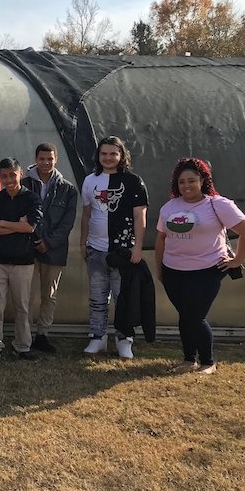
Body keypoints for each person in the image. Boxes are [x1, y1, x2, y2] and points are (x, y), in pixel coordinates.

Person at [156, 157, 245, 375]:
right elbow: (161, 239)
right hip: (173, 271)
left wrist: (237, 260)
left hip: (207, 271)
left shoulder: (217, 204)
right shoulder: (169, 207)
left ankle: (208, 362)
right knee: (184, 315)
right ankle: (189, 359)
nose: (187, 186)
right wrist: (159, 268)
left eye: (191, 180)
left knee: (195, 317)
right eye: (181, 182)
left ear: (202, 181)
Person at [80, 136, 148, 358]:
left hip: (123, 252)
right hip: (96, 250)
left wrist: (138, 248)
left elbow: (140, 217)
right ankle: (97, 338)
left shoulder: (133, 181)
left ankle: (124, 339)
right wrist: (83, 242)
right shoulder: (90, 180)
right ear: (98, 156)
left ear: (121, 156)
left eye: (113, 154)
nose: (108, 158)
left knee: (123, 299)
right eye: (104, 154)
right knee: (98, 297)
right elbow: (86, 214)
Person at [0, 158, 43, 363]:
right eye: (4, 176)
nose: (9, 179)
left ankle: (22, 346)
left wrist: (3, 224)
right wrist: (16, 224)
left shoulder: (31, 199)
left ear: (20, 174)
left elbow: (30, 228)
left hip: (24, 262)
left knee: (22, 306)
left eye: (12, 175)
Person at [21, 142, 78, 354]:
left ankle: (42, 334)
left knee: (49, 295)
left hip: (54, 251)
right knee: (27, 295)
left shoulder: (68, 189)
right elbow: (21, 213)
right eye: (42, 159)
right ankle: (24, 335)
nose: (46, 163)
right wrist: (36, 239)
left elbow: (67, 222)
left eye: (50, 159)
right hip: (28, 248)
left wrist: (49, 242)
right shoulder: (24, 184)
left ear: (56, 160)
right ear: (36, 159)